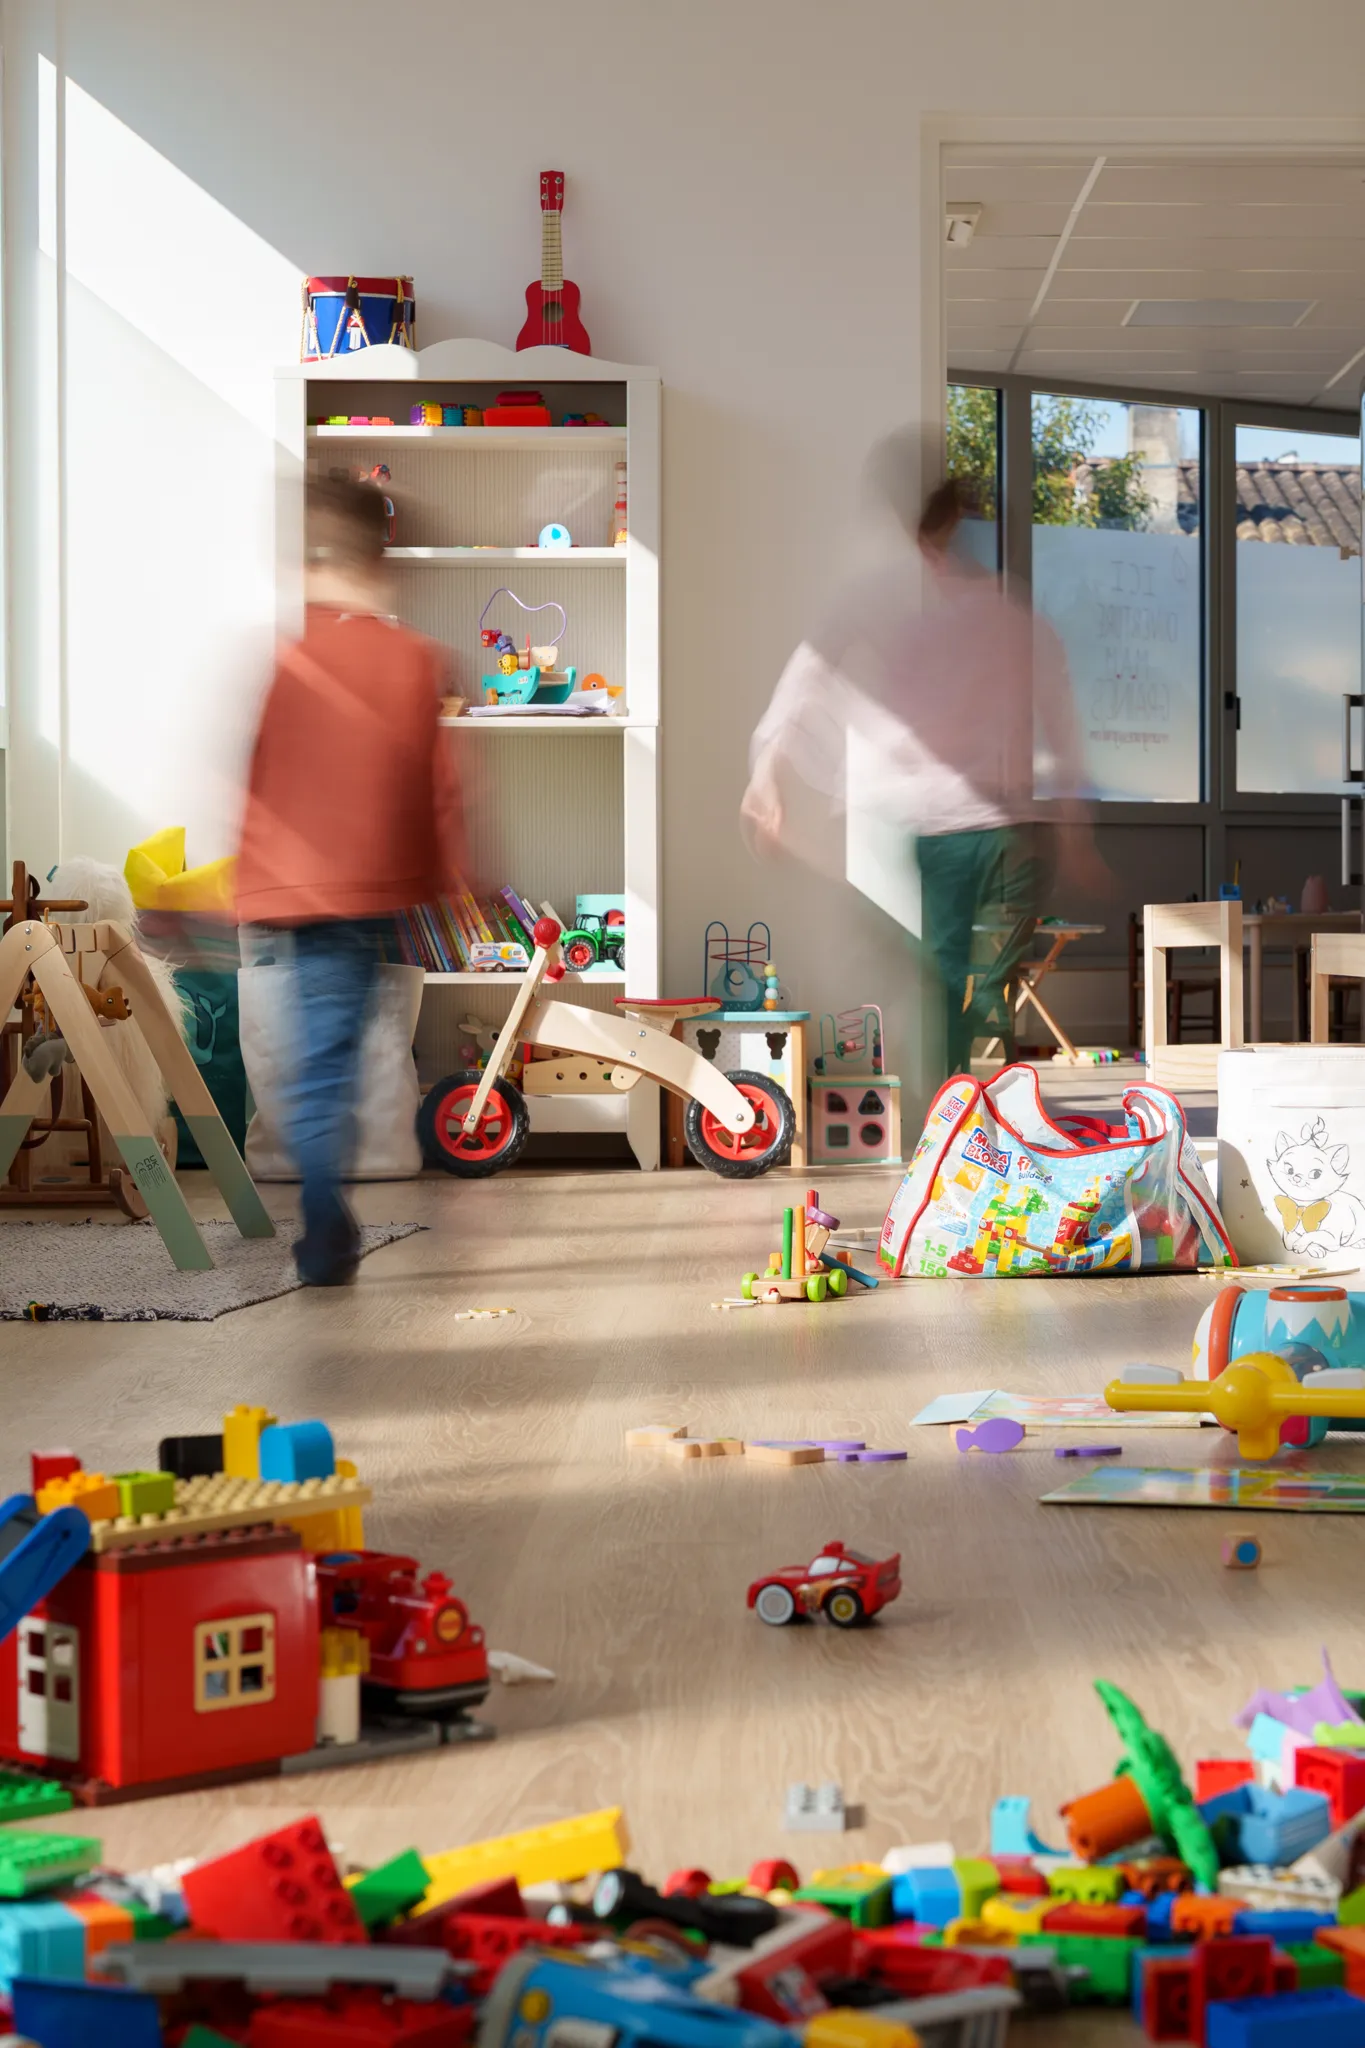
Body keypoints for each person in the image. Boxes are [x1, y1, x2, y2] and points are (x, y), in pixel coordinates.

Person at [742, 439, 1102, 1083]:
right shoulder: (978, 608)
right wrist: (1074, 825)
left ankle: (961, 1077)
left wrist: (767, 774)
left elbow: (808, 676)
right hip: (977, 827)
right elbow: (1061, 717)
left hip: (970, 826)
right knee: (950, 972)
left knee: (947, 972)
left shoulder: (969, 610)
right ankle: (964, 1074)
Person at [237, 475, 465, 1284]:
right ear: (382, 559)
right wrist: (445, 883)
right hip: (369, 891)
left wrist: (245, 890)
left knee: (318, 1055)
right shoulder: (411, 659)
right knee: (342, 1051)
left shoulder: (295, 657)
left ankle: (325, 1215)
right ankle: (327, 1222)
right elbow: (436, 787)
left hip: (293, 892)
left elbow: (263, 781)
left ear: (314, 560)